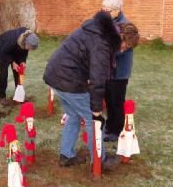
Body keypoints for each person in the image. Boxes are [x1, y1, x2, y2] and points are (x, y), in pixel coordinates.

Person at [44, 9, 140, 168]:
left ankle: (66, 155)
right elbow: (97, 80)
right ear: (121, 37)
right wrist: (96, 110)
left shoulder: (97, 29)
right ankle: (99, 160)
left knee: (73, 115)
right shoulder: (103, 45)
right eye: (126, 46)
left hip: (54, 75)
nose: (123, 50)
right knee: (94, 120)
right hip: (68, 79)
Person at [102, 0, 138, 142]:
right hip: (108, 70)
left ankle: (117, 131)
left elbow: (121, 49)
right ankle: (110, 126)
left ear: (117, 10)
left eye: (107, 9)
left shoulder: (125, 26)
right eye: (103, 8)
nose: (104, 11)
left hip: (120, 72)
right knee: (108, 100)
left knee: (116, 101)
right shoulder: (108, 21)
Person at [0, 27, 39, 106]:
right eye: (30, 47)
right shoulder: (12, 40)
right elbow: (3, 52)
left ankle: (19, 95)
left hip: (14, 50)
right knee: (4, 73)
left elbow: (25, 52)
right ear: (25, 43)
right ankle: (2, 97)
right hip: (2, 49)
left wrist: (22, 62)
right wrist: (12, 62)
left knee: (18, 72)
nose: (30, 50)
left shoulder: (28, 38)